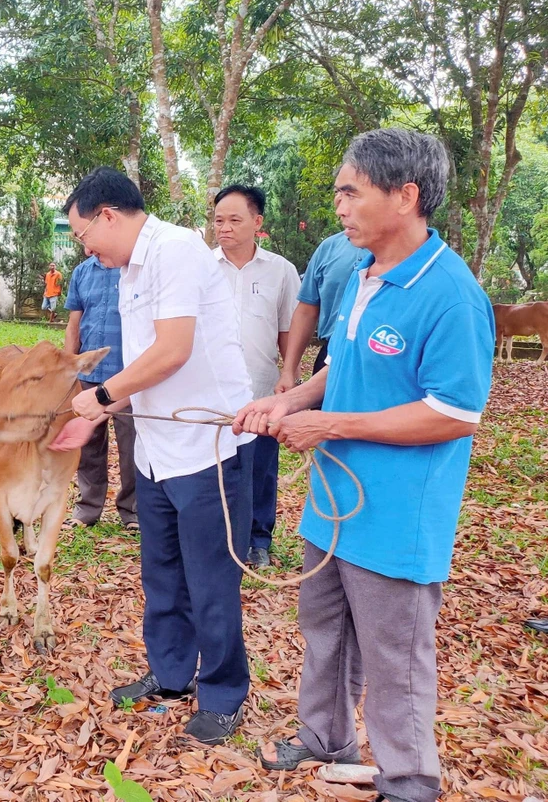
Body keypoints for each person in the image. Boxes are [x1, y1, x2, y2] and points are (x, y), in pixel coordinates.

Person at [233, 129, 494, 802]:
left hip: (396, 517)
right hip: (332, 504)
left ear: (405, 196)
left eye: (351, 192)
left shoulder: (450, 294)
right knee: (324, 630)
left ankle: (409, 780)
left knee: (396, 660)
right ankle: (324, 739)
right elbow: (338, 370)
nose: (340, 207)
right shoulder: (363, 277)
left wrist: (331, 425)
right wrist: (282, 401)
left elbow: (454, 415)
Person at [50, 167, 256, 746]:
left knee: (210, 578)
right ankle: (170, 675)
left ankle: (222, 693)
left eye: (82, 233)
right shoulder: (127, 269)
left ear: (107, 216)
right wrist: (99, 412)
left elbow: (173, 350)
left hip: (207, 448)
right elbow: (142, 359)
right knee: (162, 572)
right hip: (158, 446)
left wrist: (100, 397)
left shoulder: (178, 251)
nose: (84, 247)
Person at [213, 185, 300, 568]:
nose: (225, 228)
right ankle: (220, 538)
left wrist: (290, 372)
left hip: (262, 387)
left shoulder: (280, 270)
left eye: (234, 219)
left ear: (257, 222)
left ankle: (258, 540)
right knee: (215, 467)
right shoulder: (202, 267)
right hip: (212, 391)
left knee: (260, 468)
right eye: (218, 220)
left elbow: (288, 328)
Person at [63, 254, 138, 530]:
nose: (86, 244)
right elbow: (74, 325)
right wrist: (68, 367)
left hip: (128, 376)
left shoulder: (135, 270)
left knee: (132, 446)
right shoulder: (82, 272)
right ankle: (87, 509)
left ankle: (132, 511)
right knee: (89, 445)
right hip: (88, 376)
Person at [275, 232, 369, 392]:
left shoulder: (409, 250)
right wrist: (289, 371)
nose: (342, 210)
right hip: (330, 354)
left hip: (382, 358)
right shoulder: (329, 247)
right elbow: (306, 311)